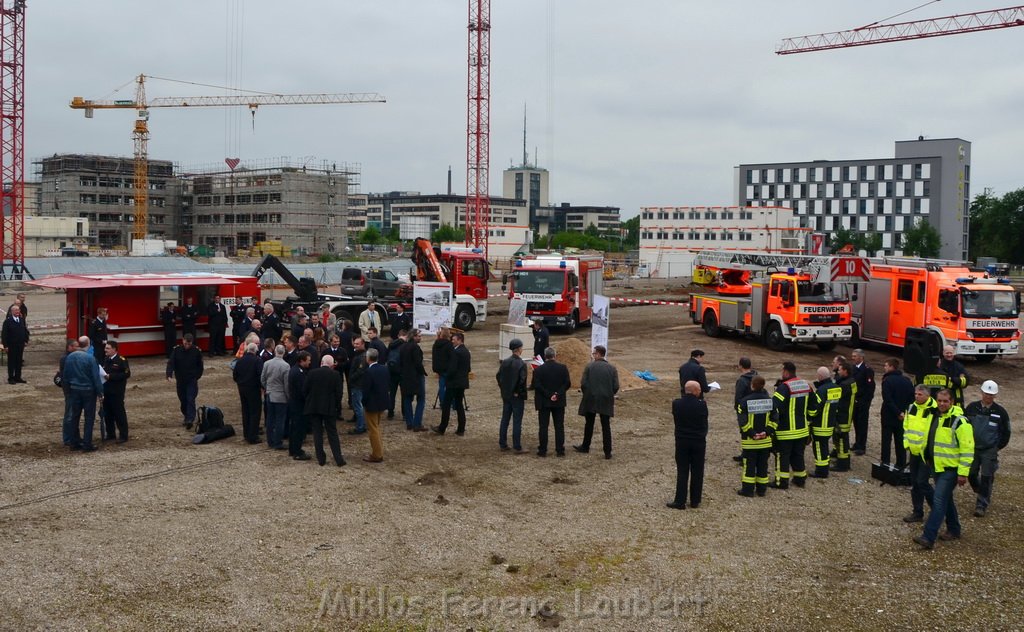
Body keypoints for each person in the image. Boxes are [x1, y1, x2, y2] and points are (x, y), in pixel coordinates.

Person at [913, 388, 974, 549]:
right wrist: (926, 456)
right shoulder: (935, 417)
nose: (942, 403)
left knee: (939, 500)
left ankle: (928, 536)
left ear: (952, 402)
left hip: (951, 469)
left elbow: (968, 449)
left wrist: (963, 473)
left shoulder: (960, 421)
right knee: (946, 499)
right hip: (937, 466)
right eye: (939, 400)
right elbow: (929, 438)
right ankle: (954, 529)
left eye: (945, 401)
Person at [964, 380, 1011, 517]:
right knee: (971, 473)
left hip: (989, 450)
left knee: (987, 476)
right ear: (982, 393)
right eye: (986, 393)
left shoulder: (1000, 412)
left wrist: (996, 447)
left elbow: (1006, 432)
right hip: (972, 448)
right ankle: (979, 489)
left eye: (991, 394)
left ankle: (981, 504)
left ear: (995, 395)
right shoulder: (972, 408)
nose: (988, 396)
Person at [770, 361, 813, 489]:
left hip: (786, 430)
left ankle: (781, 482)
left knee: (782, 456)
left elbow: (774, 406)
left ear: (786, 372)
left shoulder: (784, 387)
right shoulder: (806, 385)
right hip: (802, 430)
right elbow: (813, 406)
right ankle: (800, 479)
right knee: (798, 455)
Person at [667, 380, 709, 509]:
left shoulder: (676, 404)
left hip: (682, 441)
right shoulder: (702, 405)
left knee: (682, 471)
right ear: (695, 391)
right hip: (698, 441)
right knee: (697, 471)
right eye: (699, 390)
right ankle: (695, 500)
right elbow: (704, 423)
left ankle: (680, 501)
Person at [574, 345, 619, 459]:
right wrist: (609, 394)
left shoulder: (589, 367)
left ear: (598, 354)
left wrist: (588, 393)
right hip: (606, 399)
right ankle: (607, 452)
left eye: (594, 353)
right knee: (606, 426)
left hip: (591, 398)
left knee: (589, 424)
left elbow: (583, 384)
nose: (593, 355)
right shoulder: (612, 368)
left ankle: (585, 446)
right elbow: (616, 386)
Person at [902, 385, 937, 523]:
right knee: (915, 483)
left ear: (927, 395)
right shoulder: (911, 407)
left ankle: (936, 509)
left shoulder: (934, 410)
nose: (917, 396)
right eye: (916, 394)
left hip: (926, 454)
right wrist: (907, 444)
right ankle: (917, 512)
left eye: (920, 394)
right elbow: (906, 427)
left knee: (922, 482)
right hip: (914, 451)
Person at [304, 355, 346, 467]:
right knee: (332, 433)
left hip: (314, 406)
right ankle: (338, 458)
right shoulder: (335, 375)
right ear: (332, 365)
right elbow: (339, 393)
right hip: (329, 407)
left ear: (321, 363)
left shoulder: (312, 373)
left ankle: (321, 458)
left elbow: (305, 389)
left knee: (317, 433)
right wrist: (336, 406)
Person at [63, 336, 104, 452]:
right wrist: (100, 392)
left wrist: (68, 391)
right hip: (88, 391)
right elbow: (96, 378)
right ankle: (87, 443)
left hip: (74, 390)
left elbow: (65, 376)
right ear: (88, 344)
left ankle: (74, 442)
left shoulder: (69, 357)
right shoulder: (90, 358)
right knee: (89, 418)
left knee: (75, 417)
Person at [736, 375, 774, 497]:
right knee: (763, 465)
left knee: (749, 466)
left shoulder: (745, 401)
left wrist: (753, 434)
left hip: (750, 441)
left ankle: (747, 490)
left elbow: (743, 422)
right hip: (765, 441)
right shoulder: (770, 401)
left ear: (752, 385)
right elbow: (774, 420)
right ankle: (761, 490)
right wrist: (766, 432)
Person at [531, 346, 571, 457]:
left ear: (545, 356)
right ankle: (560, 450)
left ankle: (542, 450)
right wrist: (557, 394)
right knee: (559, 426)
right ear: (555, 356)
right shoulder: (563, 368)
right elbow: (567, 383)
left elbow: (537, 385)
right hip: (559, 402)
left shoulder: (538, 370)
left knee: (543, 426)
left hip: (544, 402)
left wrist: (549, 395)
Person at [433, 331, 471, 436]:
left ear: (459, 340)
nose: (452, 342)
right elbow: (468, 368)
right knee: (459, 405)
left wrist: (447, 376)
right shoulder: (466, 351)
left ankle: (442, 427)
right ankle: (461, 429)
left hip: (454, 382)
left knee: (446, 405)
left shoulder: (456, 352)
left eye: (453, 340)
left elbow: (452, 368)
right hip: (462, 382)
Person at [880, 358, 915, 470]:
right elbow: (911, 399)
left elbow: (888, 400)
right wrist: (903, 412)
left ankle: (885, 464)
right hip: (902, 417)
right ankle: (901, 464)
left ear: (891, 367)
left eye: (886, 366)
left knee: (886, 440)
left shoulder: (887, 381)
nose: (884, 368)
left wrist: (897, 412)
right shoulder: (907, 381)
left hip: (889, 415)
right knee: (900, 441)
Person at [496, 338, 528, 453]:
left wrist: (503, 388)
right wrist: (518, 392)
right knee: (517, 421)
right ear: (519, 349)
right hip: (516, 396)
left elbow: (498, 376)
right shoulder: (521, 364)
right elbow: (522, 381)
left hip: (506, 395)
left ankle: (503, 443)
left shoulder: (505, 362)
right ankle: (517, 446)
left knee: (505, 419)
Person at [166, 333, 204, 428]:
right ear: (183, 340)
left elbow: (200, 366)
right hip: (181, 380)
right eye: (186, 343)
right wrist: (169, 375)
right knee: (183, 399)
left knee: (190, 398)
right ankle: (186, 415)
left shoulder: (196, 351)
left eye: (189, 344)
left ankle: (190, 419)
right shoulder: (177, 350)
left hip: (191, 379)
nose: (187, 346)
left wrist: (197, 377)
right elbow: (171, 363)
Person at [361, 348, 390, 463]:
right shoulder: (384, 369)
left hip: (372, 404)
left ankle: (377, 454)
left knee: (373, 429)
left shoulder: (368, 372)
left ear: (368, 358)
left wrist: (364, 402)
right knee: (376, 427)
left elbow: (366, 390)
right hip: (382, 402)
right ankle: (379, 451)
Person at [261, 344, 291, 450]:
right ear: (284, 352)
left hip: (269, 394)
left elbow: (263, 378)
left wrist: (267, 388)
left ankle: (270, 441)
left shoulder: (267, 363)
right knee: (280, 420)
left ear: (275, 351)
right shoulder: (286, 366)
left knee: (270, 419)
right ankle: (278, 442)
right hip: (281, 396)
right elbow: (286, 384)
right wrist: (288, 396)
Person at [808, 366, 836, 478]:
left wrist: (808, 415)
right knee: (824, 448)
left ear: (820, 376)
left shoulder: (821, 390)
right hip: (830, 424)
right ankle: (825, 468)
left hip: (820, 426)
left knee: (819, 448)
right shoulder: (835, 387)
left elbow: (815, 409)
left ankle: (821, 472)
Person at [233, 342, 263, 444]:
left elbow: (235, 375)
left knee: (245, 411)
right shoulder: (257, 361)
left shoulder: (240, 361)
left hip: (242, 388)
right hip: (253, 389)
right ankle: (253, 436)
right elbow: (260, 376)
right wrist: (262, 387)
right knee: (255, 412)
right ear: (255, 351)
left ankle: (246, 434)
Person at [101, 340, 131, 444]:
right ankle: (110, 434)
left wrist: (111, 376)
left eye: (108, 348)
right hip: (106, 391)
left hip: (117, 392)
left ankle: (123, 435)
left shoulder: (121, 360)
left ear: (114, 349)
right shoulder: (106, 359)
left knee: (119, 414)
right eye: (105, 348)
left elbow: (126, 374)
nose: (105, 350)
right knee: (108, 414)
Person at [399, 329, 428, 431]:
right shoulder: (415, 347)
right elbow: (417, 363)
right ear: (413, 336)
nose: (420, 338)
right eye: (419, 336)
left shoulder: (402, 347)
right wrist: (423, 372)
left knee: (407, 399)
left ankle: (409, 423)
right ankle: (417, 423)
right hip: (416, 376)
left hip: (405, 376)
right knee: (421, 399)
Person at [831, 360, 857, 472]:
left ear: (845, 371)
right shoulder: (852, 382)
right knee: (844, 439)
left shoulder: (844, 385)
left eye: (840, 369)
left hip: (842, 416)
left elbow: (835, 398)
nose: (838, 371)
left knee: (841, 439)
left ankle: (842, 464)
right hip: (847, 415)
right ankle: (844, 460)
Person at [287, 351, 313, 461]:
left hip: (295, 404)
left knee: (294, 427)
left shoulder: (296, 370)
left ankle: (293, 449)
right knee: (298, 428)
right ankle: (297, 452)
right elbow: (302, 391)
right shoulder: (298, 373)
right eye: (308, 360)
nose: (310, 362)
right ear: (302, 361)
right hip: (298, 405)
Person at [850, 349, 875, 456]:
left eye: (855, 356)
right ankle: (857, 442)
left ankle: (862, 445)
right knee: (856, 422)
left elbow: (870, 388)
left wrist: (865, 401)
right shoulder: (853, 368)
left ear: (861, 357)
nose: (853, 358)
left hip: (863, 401)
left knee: (862, 424)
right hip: (854, 401)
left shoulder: (867, 370)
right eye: (852, 356)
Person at [732, 357, 758, 463]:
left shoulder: (742, 380)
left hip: (745, 410)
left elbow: (738, 398)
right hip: (756, 409)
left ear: (740, 366)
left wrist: (738, 409)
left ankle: (746, 456)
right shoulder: (756, 376)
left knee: (745, 432)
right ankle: (746, 454)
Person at [58, 339, 79, 446]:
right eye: (76, 346)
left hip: (72, 389)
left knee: (73, 414)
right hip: (70, 390)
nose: (77, 348)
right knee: (69, 415)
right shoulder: (66, 359)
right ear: (70, 347)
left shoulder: (69, 357)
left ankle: (73, 436)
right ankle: (68, 438)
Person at [2, 304, 29, 384]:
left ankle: (18, 377)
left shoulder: (21, 319)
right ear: (12, 311)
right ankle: (11, 378)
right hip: (11, 345)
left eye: (18, 310)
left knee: (19, 361)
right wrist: (5, 346)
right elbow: (4, 334)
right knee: (11, 362)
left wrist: (25, 340)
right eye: (16, 310)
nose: (18, 312)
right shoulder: (7, 321)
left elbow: (25, 330)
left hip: (20, 345)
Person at [348, 337, 368, 434]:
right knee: (358, 406)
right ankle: (361, 424)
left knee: (358, 406)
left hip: (358, 384)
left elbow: (360, 371)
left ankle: (360, 427)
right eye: (354, 343)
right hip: (358, 384)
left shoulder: (362, 357)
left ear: (363, 344)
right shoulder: (359, 355)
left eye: (357, 344)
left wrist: (351, 378)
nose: (355, 345)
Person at [386, 330, 407, 419]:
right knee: (404, 394)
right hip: (402, 371)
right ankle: (405, 414)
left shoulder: (391, 345)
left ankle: (390, 412)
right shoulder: (406, 345)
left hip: (392, 371)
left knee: (392, 393)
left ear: (398, 335)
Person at [432, 327, 453, 407]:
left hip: (439, 368)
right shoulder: (449, 345)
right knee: (449, 386)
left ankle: (442, 402)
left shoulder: (436, 344)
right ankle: (448, 402)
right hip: (447, 368)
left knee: (441, 386)